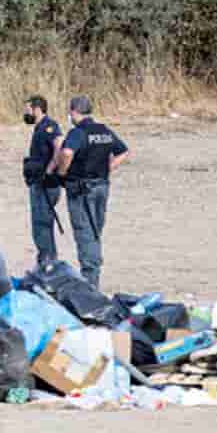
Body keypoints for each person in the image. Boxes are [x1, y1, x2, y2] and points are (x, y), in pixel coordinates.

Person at [56, 95, 130, 289]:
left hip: (82, 190)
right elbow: (123, 151)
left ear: (73, 112)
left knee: (85, 234)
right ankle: (93, 272)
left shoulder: (78, 132)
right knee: (95, 232)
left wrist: (62, 173)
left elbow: (66, 153)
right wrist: (108, 168)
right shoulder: (104, 131)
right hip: (101, 187)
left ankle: (90, 284)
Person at [22, 96, 64, 265]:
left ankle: (47, 264)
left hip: (45, 185)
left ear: (37, 109)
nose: (26, 114)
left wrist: (49, 169)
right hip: (39, 183)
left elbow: (60, 146)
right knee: (42, 225)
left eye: (27, 110)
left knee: (41, 226)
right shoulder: (40, 128)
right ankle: (47, 261)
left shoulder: (48, 126)